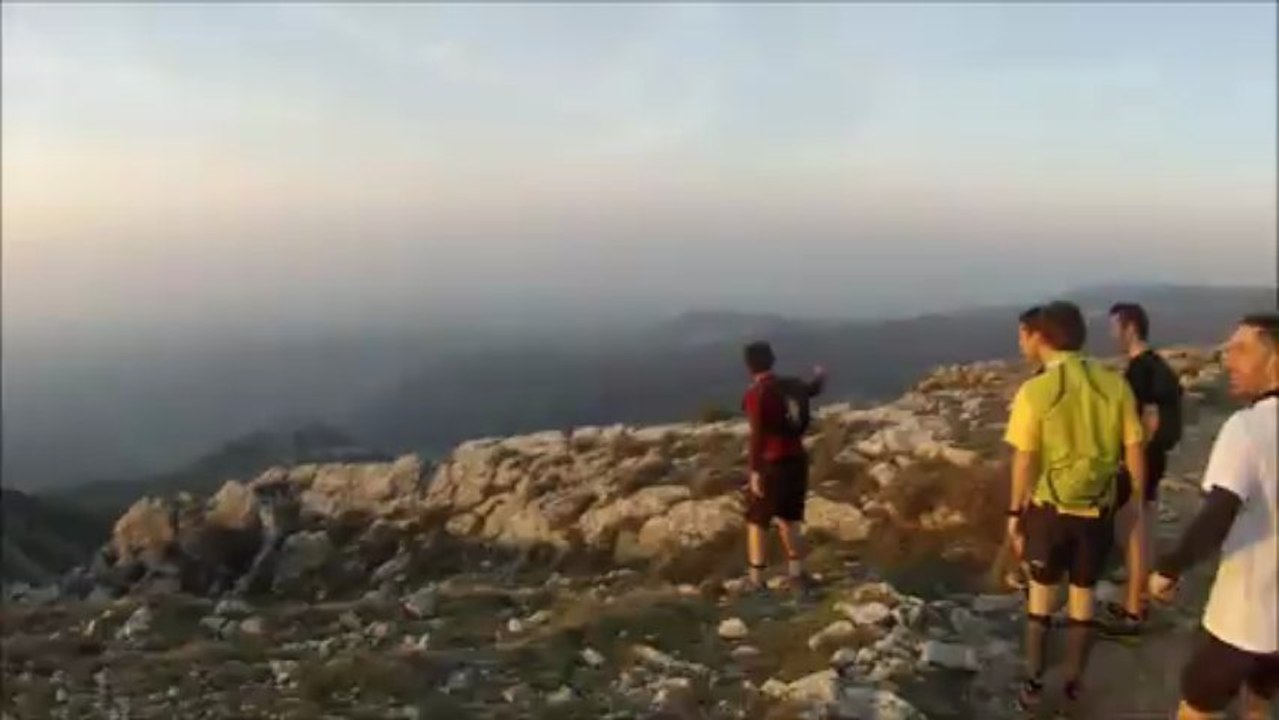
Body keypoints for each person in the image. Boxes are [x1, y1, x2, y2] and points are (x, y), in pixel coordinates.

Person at [1004, 301, 1148, 713]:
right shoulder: (1113, 383)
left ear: (1043, 337)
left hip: (1050, 511)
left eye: (1024, 334)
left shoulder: (1036, 390)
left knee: (1041, 598)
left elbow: (1024, 459)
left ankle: (1033, 683)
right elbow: (1133, 447)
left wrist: (1014, 515)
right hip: (1097, 511)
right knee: (1083, 599)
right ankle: (1072, 683)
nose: (1020, 341)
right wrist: (1134, 500)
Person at [1148, 313, 1278, 720]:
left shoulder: (1249, 428)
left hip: (1246, 613)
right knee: (1261, 702)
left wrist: (1168, 568)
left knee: (1197, 707)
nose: (1228, 360)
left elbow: (1217, 515)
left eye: (1241, 350)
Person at [1105, 302, 1184, 634]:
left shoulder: (1140, 371)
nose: (1112, 335)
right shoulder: (1160, 368)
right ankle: (1135, 600)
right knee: (1142, 529)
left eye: (1115, 328)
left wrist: (1129, 459)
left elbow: (1144, 421)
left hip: (1141, 462)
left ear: (1130, 328)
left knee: (1133, 533)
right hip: (1155, 460)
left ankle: (1134, 611)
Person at [741, 341, 825, 593]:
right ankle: (797, 574)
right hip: (797, 459)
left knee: (757, 520)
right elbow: (812, 389)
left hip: (772, 462)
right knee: (790, 517)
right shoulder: (793, 385)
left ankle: (756, 579)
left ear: (749, 366)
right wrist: (820, 375)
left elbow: (758, 435)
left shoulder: (757, 394)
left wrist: (755, 471)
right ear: (772, 360)